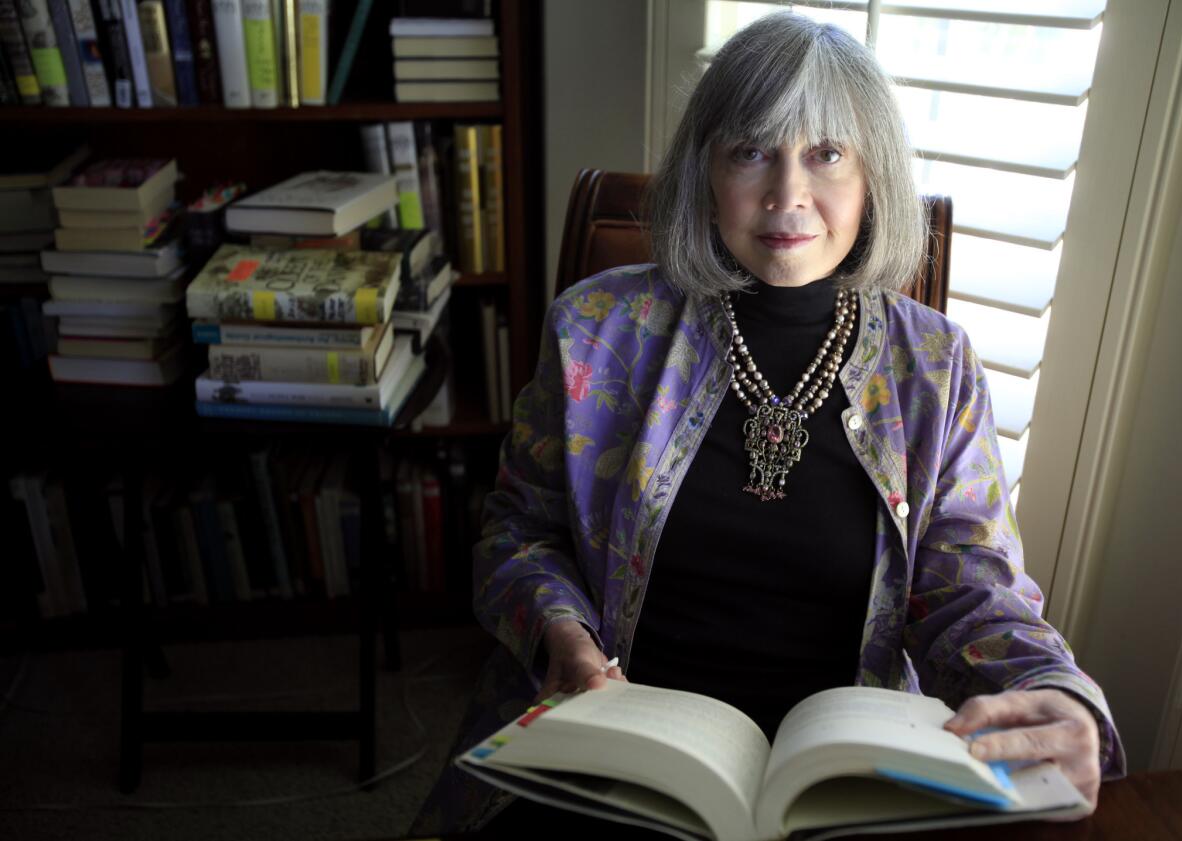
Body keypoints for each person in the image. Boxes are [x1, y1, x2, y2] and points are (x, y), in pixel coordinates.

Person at [410, 11, 1124, 835]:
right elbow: (515, 534)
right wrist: (560, 638)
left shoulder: (935, 367)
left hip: (840, 778)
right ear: (704, 173)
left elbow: (974, 588)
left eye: (827, 154)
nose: (789, 195)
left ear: (872, 178)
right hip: (617, 751)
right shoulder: (594, 329)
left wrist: (1063, 693)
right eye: (751, 151)